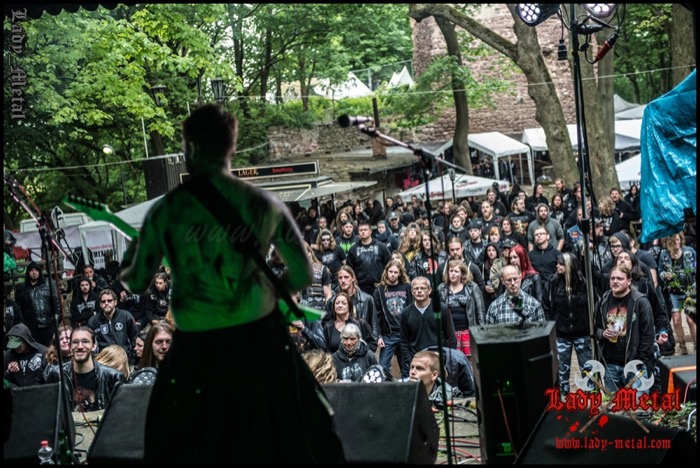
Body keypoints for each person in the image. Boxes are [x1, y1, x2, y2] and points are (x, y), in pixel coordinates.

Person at [118, 104, 343, 463]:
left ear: (190, 148)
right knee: (286, 443)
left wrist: (133, 254)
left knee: (182, 449)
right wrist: (266, 291)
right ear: (232, 147)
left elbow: (135, 281)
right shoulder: (264, 203)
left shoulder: (168, 210)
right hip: (261, 348)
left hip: (197, 355)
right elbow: (302, 274)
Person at [594, 266, 655, 394]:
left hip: (634, 365)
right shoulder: (603, 300)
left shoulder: (640, 302)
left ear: (629, 281)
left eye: (619, 278)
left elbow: (648, 335)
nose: (615, 281)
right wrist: (602, 333)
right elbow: (595, 328)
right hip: (610, 365)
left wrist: (640, 361)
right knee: (616, 405)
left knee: (639, 405)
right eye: (612, 278)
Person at [542, 253, 595, 399]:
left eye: (561, 264)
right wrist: (551, 327)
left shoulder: (583, 283)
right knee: (561, 370)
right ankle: (562, 396)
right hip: (561, 334)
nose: (557, 266)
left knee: (588, 368)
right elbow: (546, 307)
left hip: (582, 333)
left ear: (569, 266)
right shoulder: (552, 284)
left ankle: (589, 397)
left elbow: (593, 303)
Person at [44, 326, 125, 412]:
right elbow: (48, 409)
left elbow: (123, 411)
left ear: (94, 346)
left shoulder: (113, 377)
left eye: (85, 341)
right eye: (75, 342)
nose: (80, 346)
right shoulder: (57, 374)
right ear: (70, 346)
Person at [399, 276, 457, 379]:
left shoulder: (441, 308)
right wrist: (411, 361)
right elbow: (404, 342)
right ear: (412, 292)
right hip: (417, 362)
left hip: (438, 360)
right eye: (416, 288)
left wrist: (446, 359)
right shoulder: (406, 313)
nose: (419, 291)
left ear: (429, 290)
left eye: (423, 288)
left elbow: (451, 337)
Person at [437, 259, 485, 357]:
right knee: (453, 358)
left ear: (462, 273)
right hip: (450, 334)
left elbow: (480, 310)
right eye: (451, 271)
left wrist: (481, 331)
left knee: (470, 358)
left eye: (456, 271)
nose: (453, 274)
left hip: (468, 331)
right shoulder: (441, 289)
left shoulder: (472, 287)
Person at [658, 231, 696, 354]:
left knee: (690, 319)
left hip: (689, 290)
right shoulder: (664, 254)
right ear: (668, 242)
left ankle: (696, 344)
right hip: (674, 292)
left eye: (678, 240)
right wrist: (665, 275)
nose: (676, 242)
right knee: (676, 320)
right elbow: (660, 271)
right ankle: (682, 344)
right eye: (673, 241)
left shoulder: (689, 251)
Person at [373, 259, 412, 378]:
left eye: (395, 272)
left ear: (400, 273)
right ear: (386, 272)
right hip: (388, 334)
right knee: (382, 367)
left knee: (407, 367)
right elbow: (376, 315)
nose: (393, 275)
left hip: (405, 333)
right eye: (391, 272)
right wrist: (378, 336)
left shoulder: (407, 287)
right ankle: (389, 387)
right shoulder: (379, 290)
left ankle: (406, 388)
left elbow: (412, 309)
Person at [15, 261, 60, 346]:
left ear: (39, 272)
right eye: (31, 270)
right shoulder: (21, 289)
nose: (34, 272)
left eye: (36, 270)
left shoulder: (49, 285)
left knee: (50, 350)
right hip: (30, 329)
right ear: (28, 272)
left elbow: (57, 305)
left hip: (48, 327)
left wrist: (54, 326)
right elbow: (18, 310)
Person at [88, 289, 139, 357]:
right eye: (103, 301)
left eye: (109, 301)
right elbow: (91, 343)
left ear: (115, 302)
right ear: (100, 304)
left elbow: (134, 339)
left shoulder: (126, 316)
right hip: (103, 358)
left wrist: (128, 353)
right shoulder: (93, 321)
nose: (106, 303)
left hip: (124, 356)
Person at [4, 323, 49, 387]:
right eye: (13, 346)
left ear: (26, 341)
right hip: (16, 392)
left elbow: (50, 378)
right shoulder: (8, 356)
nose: (16, 348)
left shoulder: (43, 352)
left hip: (39, 390)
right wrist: (8, 373)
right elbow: (5, 382)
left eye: (19, 346)